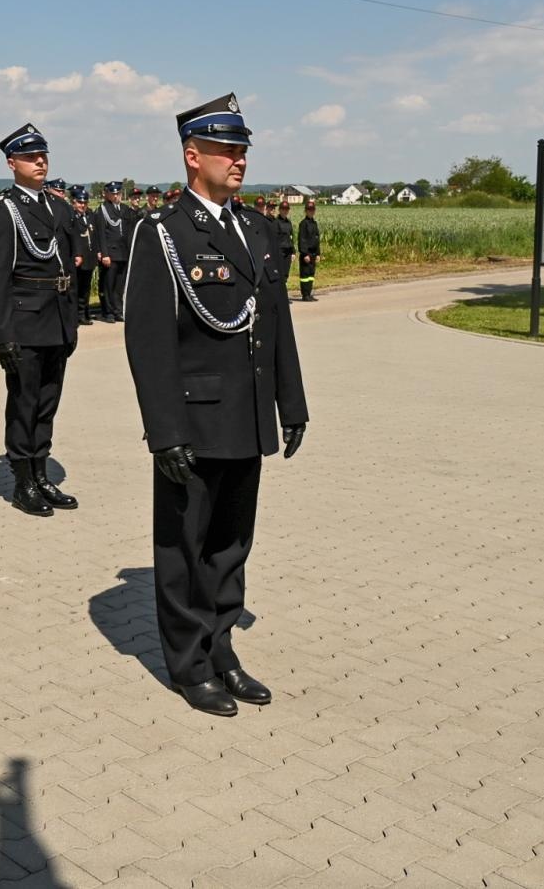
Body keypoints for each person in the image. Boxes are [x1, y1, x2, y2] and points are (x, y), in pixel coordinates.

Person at [123, 92, 308, 717]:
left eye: (243, 150)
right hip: (193, 420)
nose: (240, 161)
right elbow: (147, 341)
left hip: (247, 414)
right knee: (184, 546)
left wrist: (291, 402)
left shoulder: (255, 228)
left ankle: (222, 650)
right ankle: (189, 662)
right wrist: (164, 430)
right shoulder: (164, 232)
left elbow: (276, 322)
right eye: (228, 150)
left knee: (231, 544)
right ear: (191, 155)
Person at [0, 124, 79, 516]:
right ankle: (22, 481)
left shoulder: (58, 207)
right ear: (11, 163)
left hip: (55, 320)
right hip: (23, 322)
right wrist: (4, 334)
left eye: (43, 156)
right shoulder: (5, 210)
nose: (39, 162)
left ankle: (41, 474)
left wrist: (70, 323)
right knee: (24, 404)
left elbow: (67, 271)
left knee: (47, 404)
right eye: (29, 157)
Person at [92, 181, 130, 323]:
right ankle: (108, 312)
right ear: (107, 194)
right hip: (110, 253)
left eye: (118, 193)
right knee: (108, 285)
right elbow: (100, 233)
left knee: (119, 285)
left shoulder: (124, 209)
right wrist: (104, 253)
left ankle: (117, 310)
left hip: (122, 252)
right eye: (113, 193)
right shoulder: (103, 209)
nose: (116, 196)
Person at [69, 185, 98, 326]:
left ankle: (85, 312)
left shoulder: (90, 215)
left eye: (85, 203)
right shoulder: (72, 217)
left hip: (89, 257)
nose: (83, 205)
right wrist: (77, 254)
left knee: (85, 289)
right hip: (78, 258)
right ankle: (77, 315)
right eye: (80, 203)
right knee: (77, 289)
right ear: (74, 203)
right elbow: (74, 238)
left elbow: (95, 236)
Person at [296, 199, 321, 301]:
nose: (311, 211)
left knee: (311, 275)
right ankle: (305, 294)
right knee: (305, 275)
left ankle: (309, 293)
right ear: (305, 211)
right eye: (309, 210)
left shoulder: (314, 223)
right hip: (306, 254)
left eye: (312, 210)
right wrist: (305, 253)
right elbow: (302, 239)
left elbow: (317, 239)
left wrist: (318, 253)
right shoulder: (303, 224)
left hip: (314, 253)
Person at [275, 200, 295, 289]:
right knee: (280, 274)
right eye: (283, 209)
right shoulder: (276, 222)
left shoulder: (288, 222)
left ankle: (284, 295)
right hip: (279, 252)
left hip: (288, 252)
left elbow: (291, 237)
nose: (285, 211)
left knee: (286, 274)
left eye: (287, 209)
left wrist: (293, 252)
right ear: (279, 210)